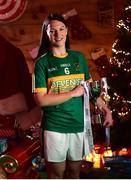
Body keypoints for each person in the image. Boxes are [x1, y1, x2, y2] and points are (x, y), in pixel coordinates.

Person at [33, 13, 113, 179]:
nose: (58, 34)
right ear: (46, 34)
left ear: (67, 31)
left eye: (61, 29)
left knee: (74, 173)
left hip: (78, 125)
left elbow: (90, 90)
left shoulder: (78, 58)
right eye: (52, 30)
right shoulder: (41, 63)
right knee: (57, 174)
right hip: (55, 127)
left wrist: (106, 109)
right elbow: (41, 99)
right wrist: (72, 93)